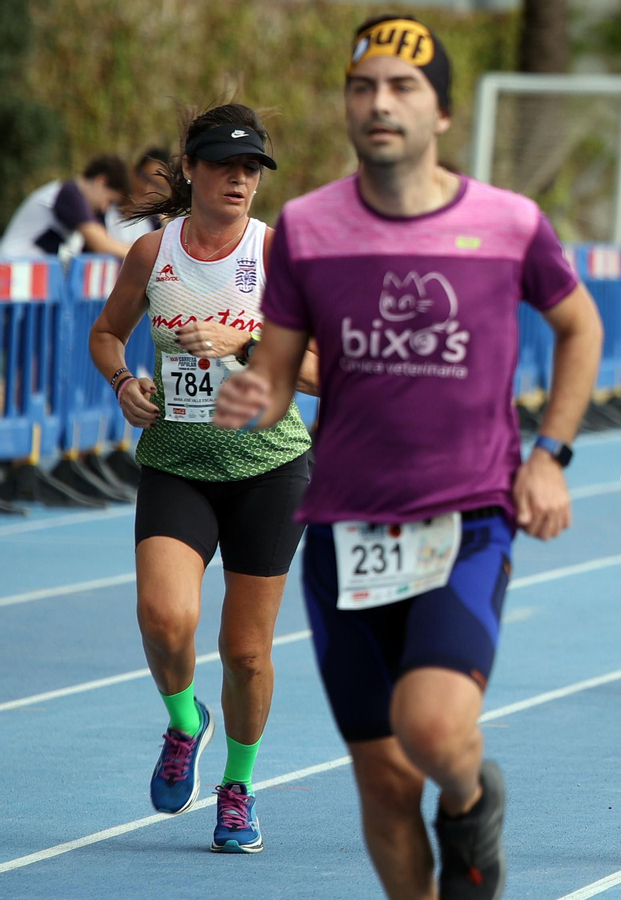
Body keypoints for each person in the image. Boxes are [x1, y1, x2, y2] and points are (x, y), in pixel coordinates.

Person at [213, 16, 602, 898]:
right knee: (384, 786)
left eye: (402, 89)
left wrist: (549, 455)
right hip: (343, 533)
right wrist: (253, 394)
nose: (379, 103)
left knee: (431, 729)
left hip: (464, 520)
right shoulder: (308, 229)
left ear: (443, 114)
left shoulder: (509, 223)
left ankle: (471, 800)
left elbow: (579, 326)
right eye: (363, 88)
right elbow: (277, 373)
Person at [87, 104, 316, 853]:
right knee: (163, 619)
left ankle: (239, 787)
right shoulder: (152, 254)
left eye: (252, 169)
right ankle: (187, 723)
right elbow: (105, 332)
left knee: (246, 652)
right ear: (191, 169)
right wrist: (123, 383)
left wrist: (243, 344)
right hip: (177, 464)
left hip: (267, 468)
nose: (241, 180)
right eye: (225, 165)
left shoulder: (279, 256)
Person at [0, 155, 133, 259]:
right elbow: (101, 244)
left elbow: (104, 237)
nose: (105, 208)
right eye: (109, 200)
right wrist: (141, 255)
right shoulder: (69, 194)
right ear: (101, 181)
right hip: (10, 276)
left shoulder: (77, 199)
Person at [107, 147, 172, 244]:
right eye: (145, 179)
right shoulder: (104, 207)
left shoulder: (157, 228)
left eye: (157, 186)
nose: (147, 189)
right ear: (133, 171)